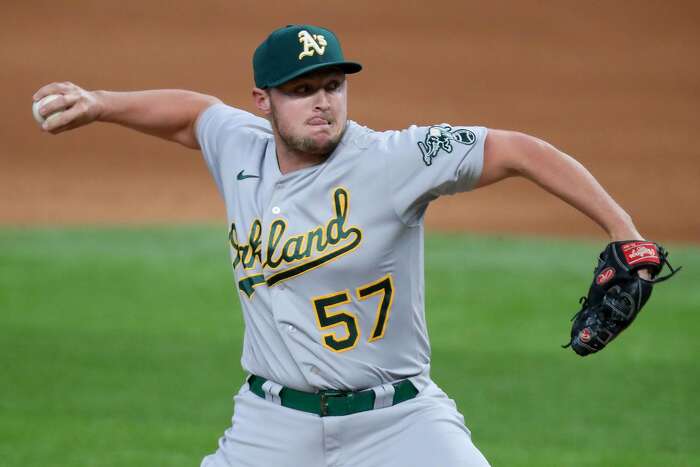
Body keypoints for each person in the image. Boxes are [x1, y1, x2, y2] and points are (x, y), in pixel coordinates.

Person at [33, 24, 648, 467]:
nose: (323, 102)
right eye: (301, 90)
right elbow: (193, 114)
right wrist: (101, 104)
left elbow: (517, 150)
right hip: (271, 426)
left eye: (332, 84)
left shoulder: (395, 159)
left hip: (399, 422)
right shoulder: (240, 147)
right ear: (263, 101)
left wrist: (625, 233)